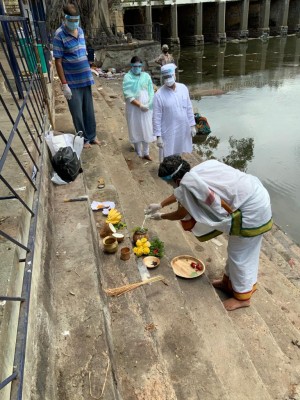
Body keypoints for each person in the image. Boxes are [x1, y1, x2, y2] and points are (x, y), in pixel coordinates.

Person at [145, 156, 273, 311]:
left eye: (169, 182)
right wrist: (160, 204)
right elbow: (182, 192)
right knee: (234, 251)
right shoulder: (197, 171)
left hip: (253, 211)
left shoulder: (189, 186)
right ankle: (228, 283)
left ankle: (243, 298)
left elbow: (180, 212)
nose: (169, 185)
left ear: (177, 180)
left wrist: (161, 216)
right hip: (251, 195)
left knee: (241, 256)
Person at [53, 3, 100, 149]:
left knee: (88, 110)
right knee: (77, 113)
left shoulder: (79, 31)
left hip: (85, 78)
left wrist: (90, 67)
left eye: (76, 20)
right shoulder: (59, 35)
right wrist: (64, 84)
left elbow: (82, 52)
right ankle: (83, 139)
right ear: (65, 18)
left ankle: (92, 136)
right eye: (71, 20)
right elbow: (58, 62)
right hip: (72, 82)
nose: (74, 23)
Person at [153, 64, 196, 160]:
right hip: (168, 131)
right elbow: (156, 117)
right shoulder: (159, 95)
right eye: (165, 77)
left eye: (169, 76)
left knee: (179, 150)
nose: (168, 79)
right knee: (167, 154)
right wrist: (158, 136)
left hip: (182, 128)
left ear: (174, 75)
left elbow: (189, 107)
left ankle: (176, 168)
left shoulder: (183, 88)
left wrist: (192, 125)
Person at [122, 56, 155, 161]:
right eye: (135, 66)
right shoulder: (127, 77)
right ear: (131, 66)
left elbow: (151, 91)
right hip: (133, 107)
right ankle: (138, 151)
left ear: (142, 66)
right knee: (135, 127)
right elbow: (128, 95)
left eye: (139, 66)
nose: (137, 68)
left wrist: (149, 103)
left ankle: (146, 152)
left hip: (147, 108)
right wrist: (140, 105)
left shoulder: (146, 76)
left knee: (146, 128)